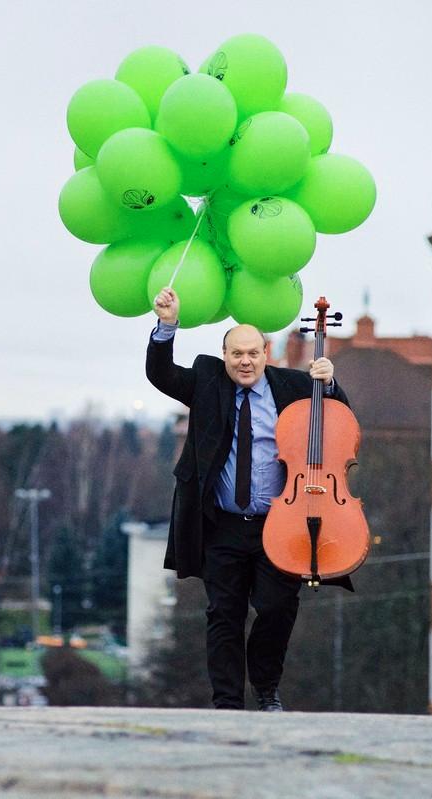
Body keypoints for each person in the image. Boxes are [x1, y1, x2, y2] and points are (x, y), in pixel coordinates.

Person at [146, 286, 353, 712]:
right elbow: (161, 375)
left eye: (253, 353)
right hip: (221, 524)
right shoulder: (206, 382)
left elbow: (339, 415)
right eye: (236, 354)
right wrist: (167, 325)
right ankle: (226, 702)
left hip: (280, 523)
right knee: (224, 614)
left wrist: (330, 383)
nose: (245, 361)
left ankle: (265, 687)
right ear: (225, 356)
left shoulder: (294, 386)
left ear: (266, 353)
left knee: (278, 609)